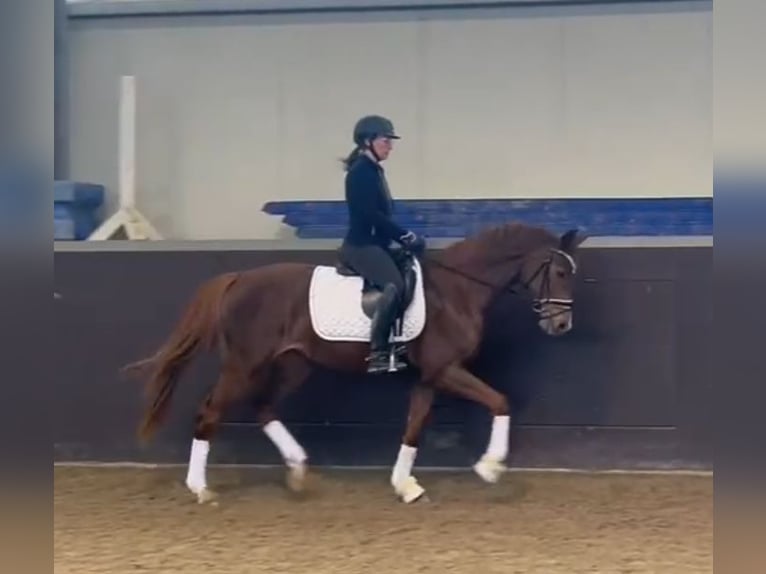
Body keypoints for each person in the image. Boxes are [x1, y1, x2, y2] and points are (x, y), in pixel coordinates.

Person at [337, 115, 426, 374]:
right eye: (385, 140)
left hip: (377, 244)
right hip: (360, 247)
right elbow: (371, 215)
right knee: (394, 284)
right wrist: (405, 236)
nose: (390, 146)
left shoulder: (374, 170)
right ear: (368, 141)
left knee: (411, 270)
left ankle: (400, 341)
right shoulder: (360, 173)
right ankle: (377, 351)